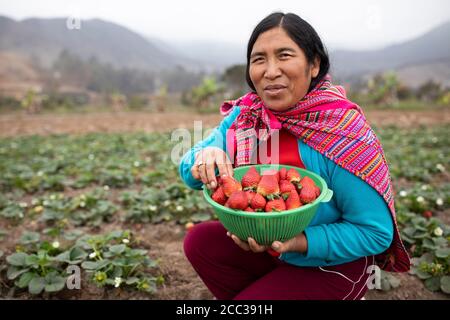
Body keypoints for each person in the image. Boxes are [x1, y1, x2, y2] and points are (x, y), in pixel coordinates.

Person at [179, 12, 410, 300]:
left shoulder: (343, 133)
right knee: (200, 242)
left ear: (314, 65)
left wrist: (299, 241)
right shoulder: (246, 116)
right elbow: (188, 170)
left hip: (332, 265)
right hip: (271, 249)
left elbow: (374, 233)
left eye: (284, 55)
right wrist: (207, 154)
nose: (271, 71)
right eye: (259, 59)